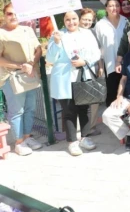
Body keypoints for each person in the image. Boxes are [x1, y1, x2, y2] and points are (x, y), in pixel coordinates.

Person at [46, 10, 101, 156]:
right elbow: (50, 59)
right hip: (64, 77)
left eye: (74, 18)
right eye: (68, 19)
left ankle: (85, 137)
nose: (71, 22)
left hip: (83, 74)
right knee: (69, 110)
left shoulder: (87, 34)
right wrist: (57, 43)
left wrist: (85, 61)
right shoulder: (58, 35)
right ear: (63, 21)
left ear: (79, 19)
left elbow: (96, 53)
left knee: (85, 108)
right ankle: (72, 141)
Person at [0, 4, 43, 156]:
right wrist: (20, 65)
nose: (13, 16)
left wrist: (31, 64)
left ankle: (27, 137)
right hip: (11, 77)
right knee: (17, 111)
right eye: (10, 14)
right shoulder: (1, 33)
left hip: (29, 74)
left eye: (16, 13)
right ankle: (18, 142)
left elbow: (38, 49)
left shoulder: (27, 30)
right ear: (5, 15)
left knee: (30, 108)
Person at [95, 0, 129, 107]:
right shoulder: (100, 25)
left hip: (126, 63)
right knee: (112, 93)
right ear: (106, 8)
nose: (114, 8)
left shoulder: (126, 21)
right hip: (109, 65)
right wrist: (100, 65)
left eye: (117, 5)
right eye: (111, 5)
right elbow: (97, 46)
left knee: (126, 92)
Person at [78, 8, 101, 137]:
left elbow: (98, 52)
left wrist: (100, 65)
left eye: (90, 20)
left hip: (93, 69)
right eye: (85, 19)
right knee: (82, 100)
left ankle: (91, 126)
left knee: (94, 100)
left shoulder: (92, 33)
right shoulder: (73, 33)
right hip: (79, 71)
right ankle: (82, 128)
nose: (87, 22)